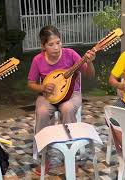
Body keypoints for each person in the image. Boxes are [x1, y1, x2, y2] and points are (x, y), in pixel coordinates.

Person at [27, 25, 95, 174]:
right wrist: (43, 88)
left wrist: (89, 62)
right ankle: (44, 157)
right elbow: (31, 83)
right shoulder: (38, 60)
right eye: (51, 44)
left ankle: (71, 157)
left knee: (67, 108)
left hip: (72, 94)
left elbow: (89, 75)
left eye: (58, 42)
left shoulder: (70, 54)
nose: (56, 47)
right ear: (43, 46)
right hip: (48, 96)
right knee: (42, 111)